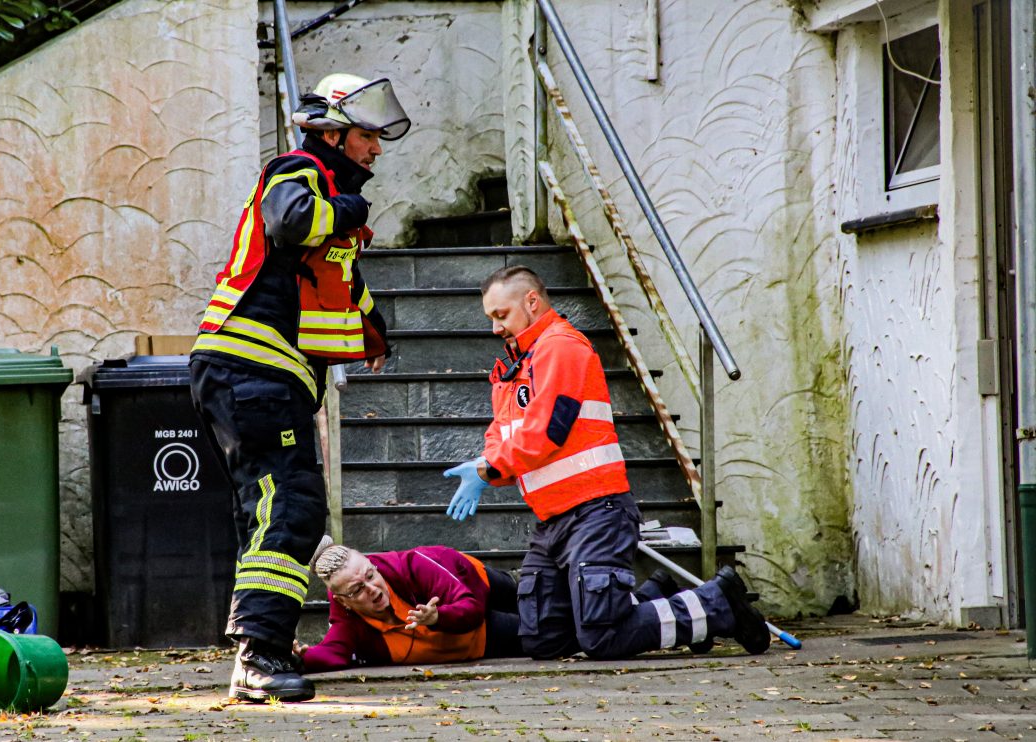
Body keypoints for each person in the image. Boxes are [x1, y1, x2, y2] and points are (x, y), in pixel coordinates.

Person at [188, 73, 411, 703]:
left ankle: (261, 648)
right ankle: (258, 656)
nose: (375, 150)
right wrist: (351, 209)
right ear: (335, 132)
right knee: (291, 503)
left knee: (274, 508)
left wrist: (373, 331)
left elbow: (332, 282)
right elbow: (289, 222)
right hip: (249, 367)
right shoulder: (299, 166)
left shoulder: (330, 199)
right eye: (367, 136)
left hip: (261, 375)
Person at [442, 265, 772, 660]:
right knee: (542, 640)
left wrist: (488, 469)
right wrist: (486, 462)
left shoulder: (561, 347)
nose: (496, 328)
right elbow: (501, 432)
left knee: (602, 638)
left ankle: (717, 604)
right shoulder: (516, 367)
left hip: (596, 511)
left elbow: (548, 432)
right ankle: (657, 600)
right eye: (491, 318)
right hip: (555, 521)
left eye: (501, 315)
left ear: (532, 301)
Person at [295, 538, 522, 671]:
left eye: (371, 575)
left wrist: (437, 617)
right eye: (357, 590)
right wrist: (299, 657)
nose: (372, 589)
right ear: (342, 600)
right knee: (538, 632)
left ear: (373, 564)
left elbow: (471, 607)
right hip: (476, 636)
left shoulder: (412, 565)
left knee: (523, 592)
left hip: (471, 580)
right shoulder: (346, 613)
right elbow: (334, 652)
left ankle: (522, 579)